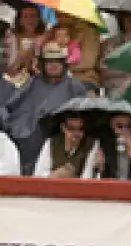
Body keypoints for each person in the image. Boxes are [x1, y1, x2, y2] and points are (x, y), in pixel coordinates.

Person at [0, 42, 88, 174]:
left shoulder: (75, 86)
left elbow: (83, 115)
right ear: (43, 64)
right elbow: (12, 104)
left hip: (59, 135)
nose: (53, 65)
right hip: (26, 134)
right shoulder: (34, 81)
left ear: (63, 64)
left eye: (57, 61)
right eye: (49, 61)